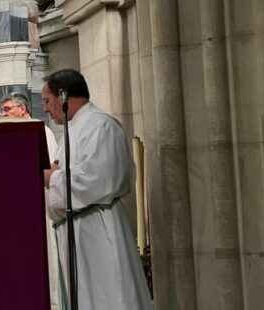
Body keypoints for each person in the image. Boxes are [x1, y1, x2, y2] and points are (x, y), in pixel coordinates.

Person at [42, 69, 152, 310]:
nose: (45, 108)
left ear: (64, 95)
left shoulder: (100, 125)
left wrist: (53, 178)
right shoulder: (76, 129)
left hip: (97, 231)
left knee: (108, 298)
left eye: (47, 100)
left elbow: (100, 179)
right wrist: (56, 175)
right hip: (79, 231)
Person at [0, 92, 61, 310]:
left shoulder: (39, 130)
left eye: (7, 109)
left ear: (22, 109)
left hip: (38, 203)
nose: (2, 114)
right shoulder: (9, 134)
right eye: (2, 110)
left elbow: (49, 172)